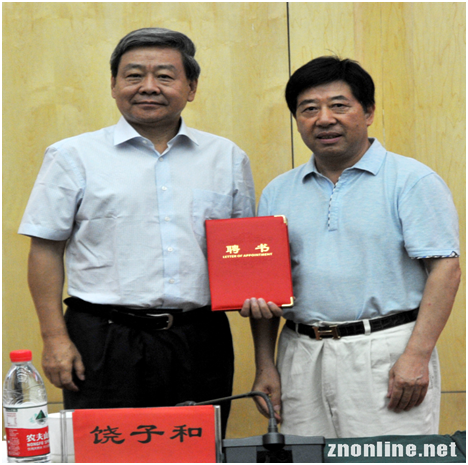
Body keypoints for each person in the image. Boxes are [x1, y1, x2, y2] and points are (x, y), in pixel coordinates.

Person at [19, 27, 255, 436]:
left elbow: (246, 251)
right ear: (113, 85)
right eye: (133, 75)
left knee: (196, 452)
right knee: (105, 452)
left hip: (199, 338)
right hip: (103, 339)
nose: (148, 87)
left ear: (191, 87)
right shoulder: (73, 156)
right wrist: (54, 337)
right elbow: (45, 250)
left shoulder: (227, 157)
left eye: (164, 75)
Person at [240, 56, 460, 438]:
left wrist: (417, 355)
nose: (324, 119)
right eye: (309, 109)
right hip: (300, 352)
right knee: (306, 458)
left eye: (339, 105)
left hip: (386, 352)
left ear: (369, 111)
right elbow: (265, 287)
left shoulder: (411, 180)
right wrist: (265, 364)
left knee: (385, 460)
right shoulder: (279, 191)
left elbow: (446, 269)